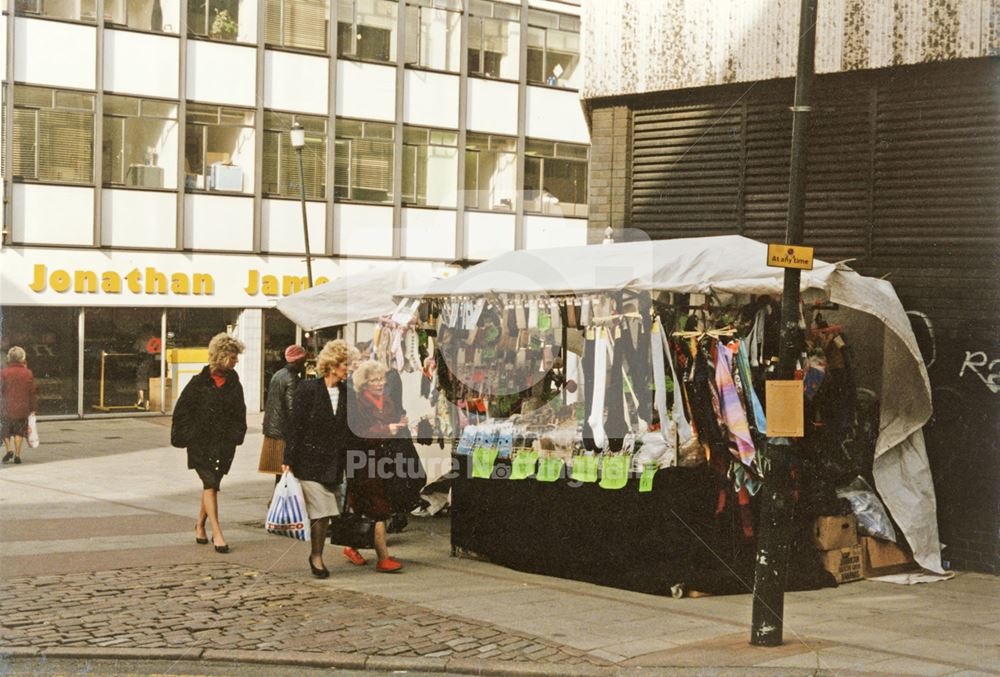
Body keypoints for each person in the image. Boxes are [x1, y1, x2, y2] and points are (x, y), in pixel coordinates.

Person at [283, 340, 356, 579]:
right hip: (309, 461)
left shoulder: (348, 393)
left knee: (324, 514)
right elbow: (294, 426)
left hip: (335, 463)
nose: (349, 368)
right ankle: (316, 557)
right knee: (322, 511)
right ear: (333, 365)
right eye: (346, 364)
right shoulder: (308, 389)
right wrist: (288, 459)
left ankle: (316, 553)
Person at [170, 333, 247, 554]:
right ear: (221, 357)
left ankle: (200, 525)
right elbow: (182, 412)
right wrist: (189, 435)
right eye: (233, 357)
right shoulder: (198, 383)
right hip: (201, 444)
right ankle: (218, 533)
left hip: (223, 444)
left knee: (210, 485)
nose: (236, 361)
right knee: (210, 484)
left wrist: (236, 435)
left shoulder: (234, 383)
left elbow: (239, 412)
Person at [348, 360, 408, 573]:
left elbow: (392, 425)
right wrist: (385, 428)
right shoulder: (358, 403)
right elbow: (359, 431)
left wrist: (401, 424)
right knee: (379, 508)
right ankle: (383, 558)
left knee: (369, 507)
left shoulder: (388, 401)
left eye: (381, 379)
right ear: (364, 384)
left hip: (385, 459)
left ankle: (351, 546)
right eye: (374, 380)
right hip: (365, 460)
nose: (380, 383)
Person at [259, 344, 307, 487]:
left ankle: (276, 500)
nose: (304, 365)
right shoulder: (292, 379)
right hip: (283, 432)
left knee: (280, 474)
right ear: (298, 361)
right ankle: (278, 503)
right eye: (303, 361)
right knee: (286, 471)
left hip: (273, 429)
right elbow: (293, 409)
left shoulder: (278, 374)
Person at [0, 347, 38, 465]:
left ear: (9, 358)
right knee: (19, 432)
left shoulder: (3, 372)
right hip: (22, 408)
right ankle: (17, 454)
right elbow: (32, 392)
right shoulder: (28, 373)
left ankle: (9, 449)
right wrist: (33, 408)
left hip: (7, 407)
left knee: (5, 430)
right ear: (23, 358)